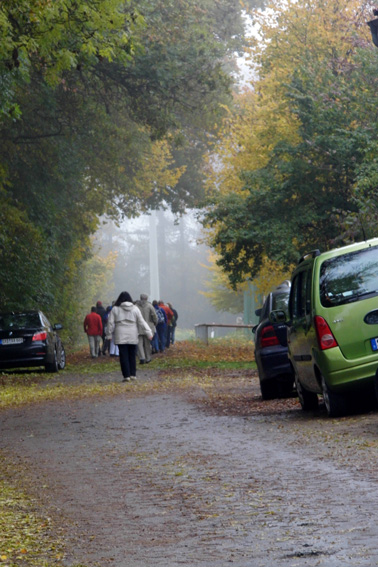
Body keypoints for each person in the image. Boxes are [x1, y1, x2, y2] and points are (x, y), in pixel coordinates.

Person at [106, 291, 153, 382]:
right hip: (132, 333)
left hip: (120, 333)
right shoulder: (135, 309)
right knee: (132, 355)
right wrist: (149, 333)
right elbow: (141, 321)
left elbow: (110, 323)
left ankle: (126, 375)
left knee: (123, 355)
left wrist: (109, 334)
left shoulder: (115, 309)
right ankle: (133, 374)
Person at [135, 294, 158, 364]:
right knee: (147, 344)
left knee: (139, 344)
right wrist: (155, 323)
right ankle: (148, 358)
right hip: (148, 327)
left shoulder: (135, 306)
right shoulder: (149, 306)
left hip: (138, 327)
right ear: (147, 298)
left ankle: (142, 357)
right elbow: (154, 316)